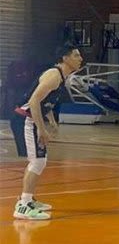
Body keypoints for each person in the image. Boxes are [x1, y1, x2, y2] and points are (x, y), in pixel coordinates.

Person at [10, 44, 84, 220]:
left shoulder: (61, 77)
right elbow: (34, 101)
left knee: (38, 161)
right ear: (65, 58)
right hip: (25, 119)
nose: (80, 58)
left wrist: (51, 119)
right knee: (37, 161)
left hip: (30, 119)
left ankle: (27, 199)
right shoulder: (54, 75)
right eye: (76, 55)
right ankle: (23, 206)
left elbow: (44, 102)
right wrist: (42, 130)